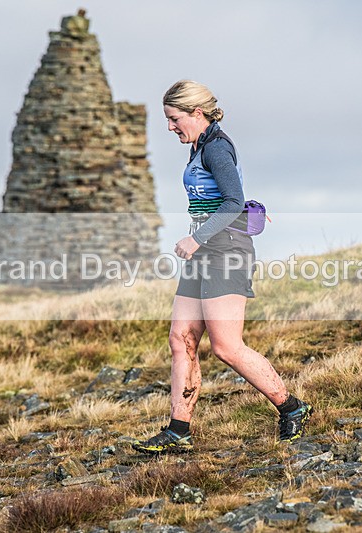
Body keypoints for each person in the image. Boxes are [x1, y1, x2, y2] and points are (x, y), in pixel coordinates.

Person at [132, 80, 313, 454]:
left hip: (227, 252)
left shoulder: (216, 148)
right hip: (203, 255)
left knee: (226, 347)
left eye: (174, 119)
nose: (170, 128)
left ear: (197, 113)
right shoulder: (198, 145)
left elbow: (233, 202)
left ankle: (292, 408)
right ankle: (178, 430)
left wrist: (196, 239)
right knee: (180, 338)